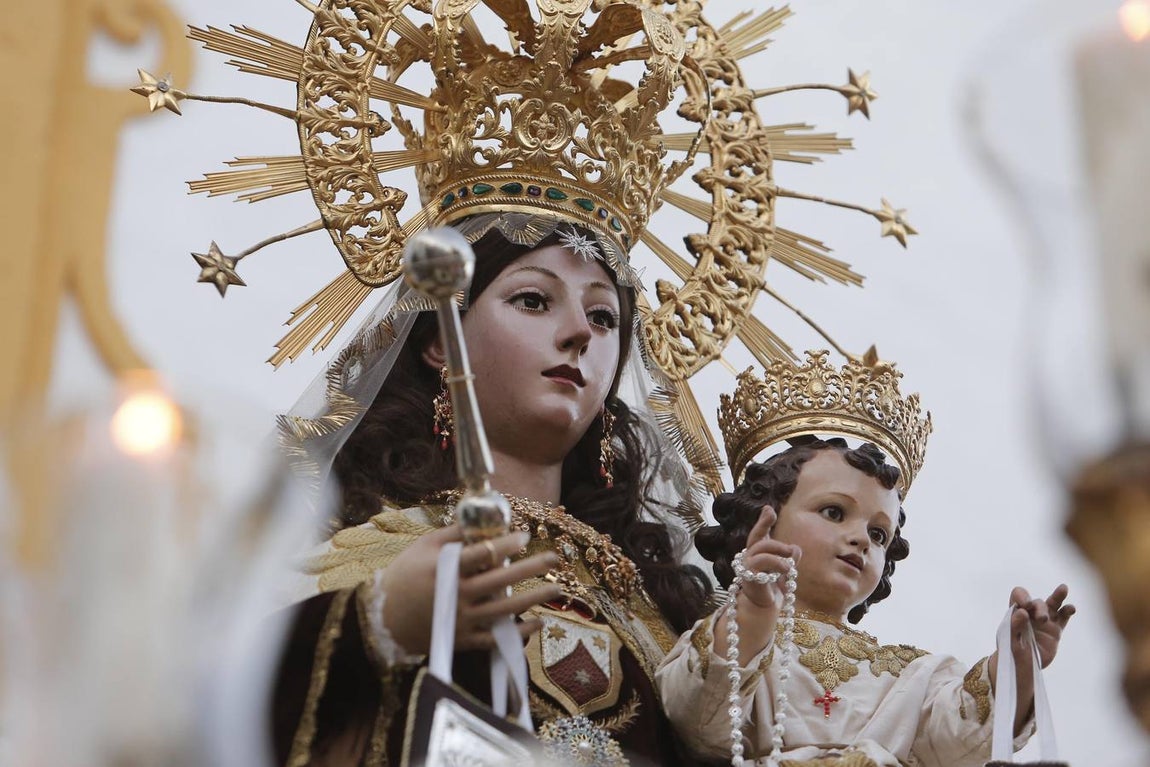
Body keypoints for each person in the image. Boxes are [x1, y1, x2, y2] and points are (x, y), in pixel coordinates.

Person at [657, 434, 1076, 766]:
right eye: (834, 513)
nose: (861, 539)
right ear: (763, 524)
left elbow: (957, 741)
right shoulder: (736, 638)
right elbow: (696, 719)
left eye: (879, 535)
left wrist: (1017, 665)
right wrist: (753, 615)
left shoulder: (912, 675)